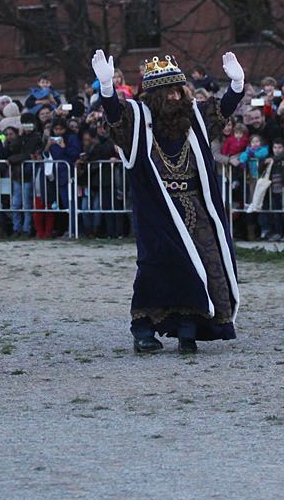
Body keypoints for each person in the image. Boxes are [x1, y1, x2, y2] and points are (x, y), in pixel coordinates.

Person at [93, 48, 246, 354]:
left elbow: (221, 111)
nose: (175, 97)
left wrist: (237, 86)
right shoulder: (138, 119)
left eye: (178, 91)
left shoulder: (194, 118)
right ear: (154, 97)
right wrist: (107, 89)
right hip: (157, 209)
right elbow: (116, 119)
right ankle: (143, 329)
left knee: (203, 263)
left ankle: (189, 328)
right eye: (168, 93)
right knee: (156, 267)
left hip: (194, 205)